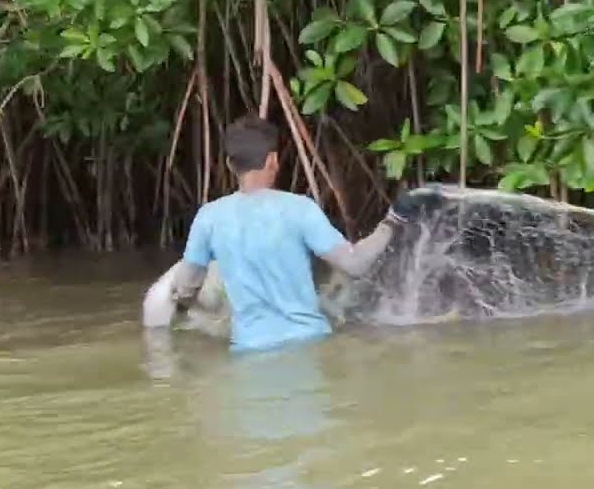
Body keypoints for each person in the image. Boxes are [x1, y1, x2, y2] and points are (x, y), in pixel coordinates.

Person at [153, 114, 439, 352]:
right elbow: (356, 264)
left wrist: (184, 311)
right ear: (274, 160)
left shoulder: (209, 218)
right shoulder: (300, 209)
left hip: (249, 351)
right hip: (310, 343)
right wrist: (395, 217)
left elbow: (187, 288)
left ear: (229, 165)